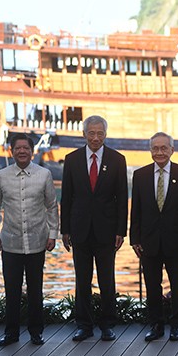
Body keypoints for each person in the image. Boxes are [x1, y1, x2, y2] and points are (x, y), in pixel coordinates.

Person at [61, 115, 128, 342]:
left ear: (105, 135)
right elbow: (66, 197)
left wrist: (121, 231)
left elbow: (122, 198)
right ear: (84, 134)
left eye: (100, 133)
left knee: (107, 279)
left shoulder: (117, 159)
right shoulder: (72, 159)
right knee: (82, 280)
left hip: (107, 230)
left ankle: (107, 324)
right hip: (79, 229)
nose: (96, 138)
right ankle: (84, 325)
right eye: (91, 133)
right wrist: (65, 230)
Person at [0, 134, 58, 347]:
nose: (22, 151)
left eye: (25, 148)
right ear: (12, 151)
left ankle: (36, 332)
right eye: (18, 148)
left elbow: (52, 206)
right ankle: (11, 333)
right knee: (12, 290)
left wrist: (53, 234)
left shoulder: (44, 174)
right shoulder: (2, 176)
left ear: (32, 151)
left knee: (35, 289)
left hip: (37, 241)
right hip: (10, 242)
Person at [130, 132, 178, 342]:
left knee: (177, 284)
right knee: (152, 285)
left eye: (163, 148)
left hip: (176, 241)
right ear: (150, 150)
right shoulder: (140, 175)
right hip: (148, 241)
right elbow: (136, 210)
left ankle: (177, 325)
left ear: (172, 150)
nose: (159, 152)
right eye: (155, 148)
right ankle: (156, 325)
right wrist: (134, 239)